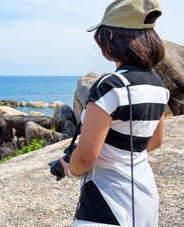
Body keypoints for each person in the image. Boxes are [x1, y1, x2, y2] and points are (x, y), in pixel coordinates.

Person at [60, 0, 170, 226]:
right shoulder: (158, 85)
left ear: (110, 36)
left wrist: (69, 170)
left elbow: (84, 158)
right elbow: (155, 141)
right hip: (145, 200)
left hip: (107, 204)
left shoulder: (111, 85)